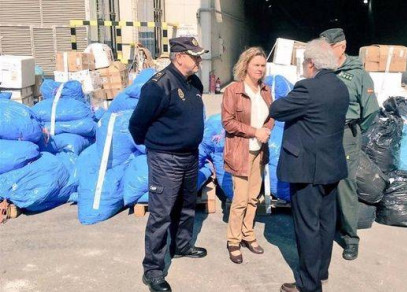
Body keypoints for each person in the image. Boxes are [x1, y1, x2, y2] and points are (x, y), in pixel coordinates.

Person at [129, 36, 209, 292]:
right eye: (194, 56)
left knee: (186, 206)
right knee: (161, 215)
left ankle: (182, 245)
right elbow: (137, 124)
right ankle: (152, 269)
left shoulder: (193, 81)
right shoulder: (158, 85)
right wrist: (158, 146)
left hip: (190, 155)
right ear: (179, 57)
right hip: (166, 159)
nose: (198, 60)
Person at [271, 39, 349, 292]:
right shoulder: (340, 87)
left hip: (307, 169)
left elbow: (277, 109)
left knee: (307, 226)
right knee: (326, 223)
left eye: (304, 63)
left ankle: (309, 284)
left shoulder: (307, 89)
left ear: (312, 64)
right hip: (331, 166)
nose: (304, 67)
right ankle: (321, 272)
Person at [319, 28, 379, 261]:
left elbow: (371, 110)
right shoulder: (322, 71)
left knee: (345, 185)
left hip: (346, 135)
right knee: (323, 182)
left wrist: (353, 131)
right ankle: (326, 227)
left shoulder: (358, 75)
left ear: (341, 47)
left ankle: (350, 238)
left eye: (328, 48)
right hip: (323, 134)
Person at [221, 47, 274, 264]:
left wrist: (267, 129)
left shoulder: (266, 90)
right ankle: (233, 240)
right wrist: (255, 132)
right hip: (240, 151)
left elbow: (272, 115)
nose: (260, 69)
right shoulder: (233, 91)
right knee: (241, 199)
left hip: (259, 152)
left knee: (253, 198)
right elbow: (227, 122)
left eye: (262, 65)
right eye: (256, 65)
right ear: (246, 66)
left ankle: (248, 234)